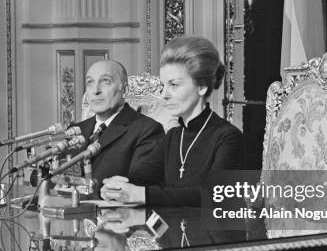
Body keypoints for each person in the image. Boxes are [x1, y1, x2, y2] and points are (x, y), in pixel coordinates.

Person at [100, 36, 246, 207]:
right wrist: (116, 186)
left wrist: (143, 195)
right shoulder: (173, 137)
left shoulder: (228, 137)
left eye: (174, 85)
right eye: (163, 86)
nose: (164, 94)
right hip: (173, 230)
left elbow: (214, 195)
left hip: (213, 232)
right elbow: (140, 177)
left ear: (202, 87)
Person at [72, 60, 164, 196]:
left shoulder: (147, 130)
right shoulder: (75, 130)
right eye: (90, 82)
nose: (95, 90)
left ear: (124, 90)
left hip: (114, 214)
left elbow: (136, 187)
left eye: (106, 81)